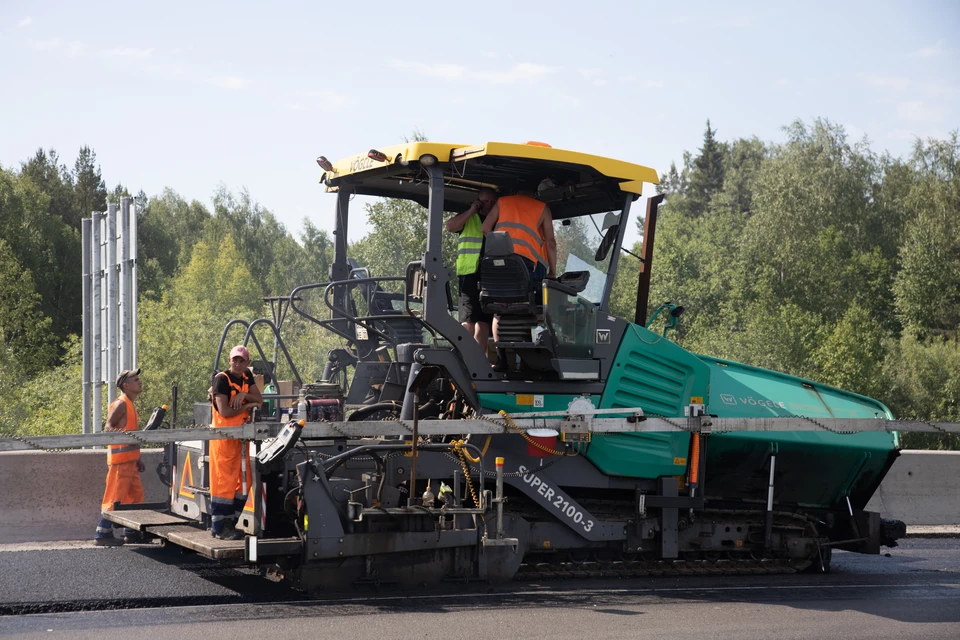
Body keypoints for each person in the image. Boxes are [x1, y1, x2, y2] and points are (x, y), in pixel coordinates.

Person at [480, 182, 557, 347]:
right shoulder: (542, 207)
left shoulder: (502, 202)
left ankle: (501, 357)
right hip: (526, 265)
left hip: (498, 263)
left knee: (499, 309)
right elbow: (550, 243)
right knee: (541, 302)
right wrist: (553, 272)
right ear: (534, 195)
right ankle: (537, 344)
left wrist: (501, 245)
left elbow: (485, 228)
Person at [209, 345, 263, 540]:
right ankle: (219, 527)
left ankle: (231, 524)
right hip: (224, 439)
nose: (238, 364)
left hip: (240, 439)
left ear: (247, 362)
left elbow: (260, 398)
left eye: (242, 361)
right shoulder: (221, 380)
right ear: (229, 360)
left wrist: (245, 395)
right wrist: (249, 404)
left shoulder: (246, 376)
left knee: (243, 482)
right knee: (224, 483)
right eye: (235, 360)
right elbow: (225, 411)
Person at [94, 368, 146, 546]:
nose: (139, 381)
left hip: (129, 461)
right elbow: (109, 428)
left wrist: (137, 457)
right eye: (135, 379)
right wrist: (128, 442)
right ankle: (103, 533)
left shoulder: (130, 404)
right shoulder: (121, 403)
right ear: (126, 385)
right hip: (120, 462)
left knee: (135, 496)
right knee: (115, 497)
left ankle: (130, 532)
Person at [446, 187, 497, 352]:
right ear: (477, 202)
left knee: (483, 322)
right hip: (469, 274)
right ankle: (463, 358)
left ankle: (479, 362)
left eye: (491, 201)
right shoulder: (469, 217)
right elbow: (450, 226)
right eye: (484, 201)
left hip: (490, 275)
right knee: (468, 320)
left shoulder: (497, 219)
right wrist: (472, 210)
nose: (488, 204)